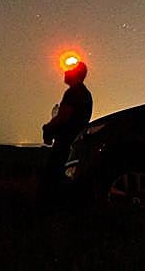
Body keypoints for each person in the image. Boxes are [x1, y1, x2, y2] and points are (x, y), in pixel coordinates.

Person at [40, 61, 92, 201]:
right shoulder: (85, 94)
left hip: (65, 142)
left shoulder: (73, 93)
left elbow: (63, 117)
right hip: (74, 142)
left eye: (69, 69)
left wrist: (48, 128)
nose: (65, 72)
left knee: (53, 175)